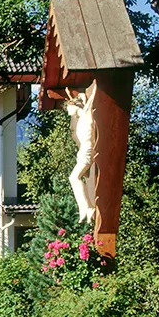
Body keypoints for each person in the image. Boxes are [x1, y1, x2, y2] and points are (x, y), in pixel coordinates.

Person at [66, 83, 98, 223]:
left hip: (87, 150)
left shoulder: (86, 115)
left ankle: (88, 208)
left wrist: (96, 87)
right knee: (74, 178)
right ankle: (85, 208)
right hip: (83, 151)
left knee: (74, 177)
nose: (67, 110)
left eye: (69, 107)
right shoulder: (80, 119)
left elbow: (89, 102)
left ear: (76, 106)